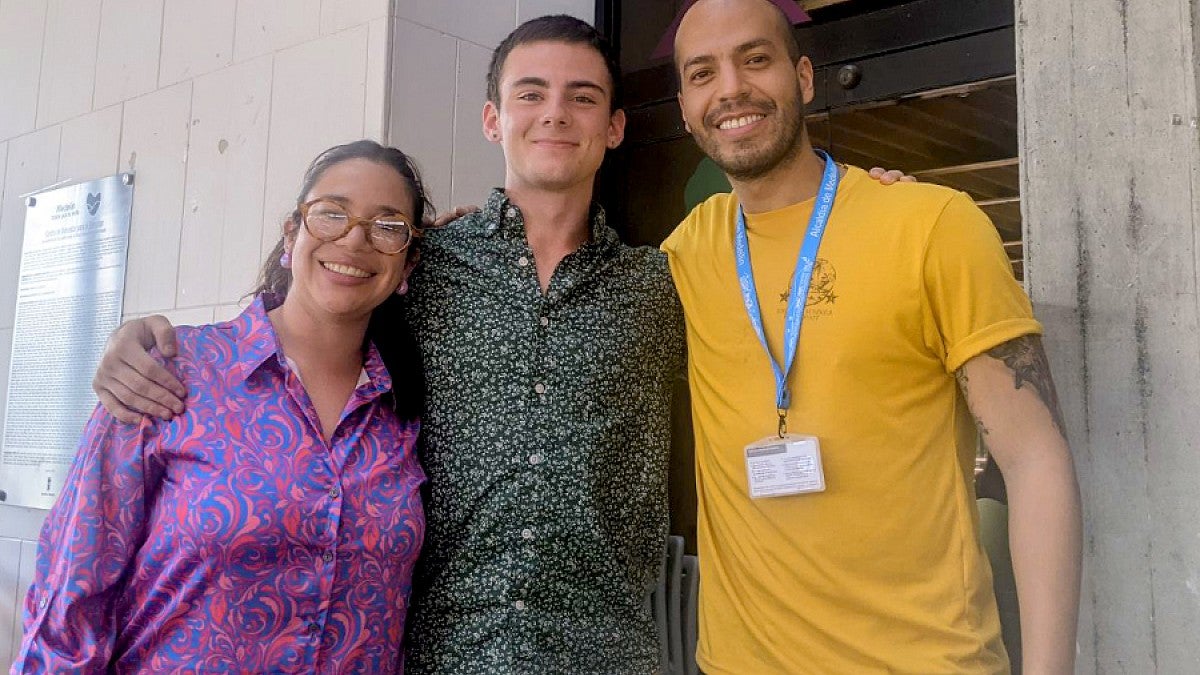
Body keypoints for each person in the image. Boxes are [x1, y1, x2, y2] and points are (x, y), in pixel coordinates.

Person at [87, 14, 911, 674]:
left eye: (584, 97)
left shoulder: (667, 284)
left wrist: (866, 203)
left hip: (610, 658)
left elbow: (784, 270)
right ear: (493, 118)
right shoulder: (416, 266)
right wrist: (150, 339)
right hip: (439, 654)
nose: (556, 112)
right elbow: (303, 312)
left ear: (617, 127)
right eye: (532, 93)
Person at [663, 0, 1082, 673]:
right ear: (685, 107)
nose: (732, 88)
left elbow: (1035, 459)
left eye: (756, 59)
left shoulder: (931, 225)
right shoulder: (685, 253)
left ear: (803, 78)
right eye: (703, 73)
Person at [12, 140, 428, 674]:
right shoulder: (169, 370)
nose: (354, 238)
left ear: (410, 260)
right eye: (331, 213)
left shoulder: (402, 411)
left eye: (387, 226)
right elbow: (71, 592)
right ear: (291, 233)